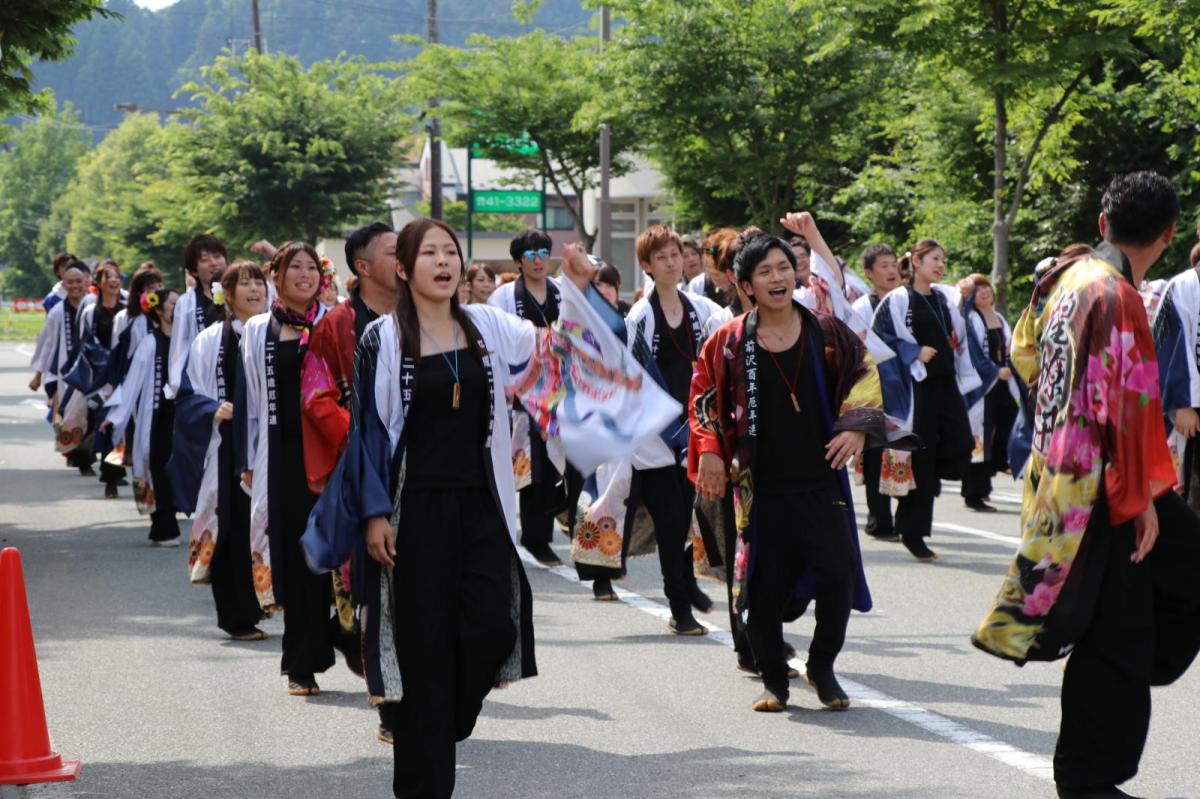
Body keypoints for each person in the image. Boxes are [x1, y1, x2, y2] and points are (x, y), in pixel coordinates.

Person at [304, 218, 676, 799]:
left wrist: (577, 291)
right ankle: (423, 779)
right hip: (411, 512)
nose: (444, 262)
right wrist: (374, 513)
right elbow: (371, 433)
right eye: (429, 253)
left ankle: (441, 719)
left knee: (491, 626)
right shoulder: (382, 337)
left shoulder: (487, 326)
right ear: (404, 269)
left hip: (481, 503)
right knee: (423, 646)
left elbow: (558, 357)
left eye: (450, 251)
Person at [974, 172, 1200, 799]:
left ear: (1102, 222)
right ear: (1169, 232)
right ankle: (1088, 777)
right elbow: (1127, 407)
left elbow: (1024, 354)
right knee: (1116, 632)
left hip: (1059, 473)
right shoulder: (1117, 295)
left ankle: (1090, 769)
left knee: (1119, 622)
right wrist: (1144, 499)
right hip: (1101, 486)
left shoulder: (1065, 277)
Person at [690, 230, 887, 713]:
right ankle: (774, 681)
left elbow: (866, 373)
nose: (778, 278)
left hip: (822, 480)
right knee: (762, 585)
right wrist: (712, 451)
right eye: (765, 272)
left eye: (784, 267)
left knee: (837, 576)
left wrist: (857, 428)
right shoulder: (729, 342)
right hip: (761, 486)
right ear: (746, 286)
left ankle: (822, 666)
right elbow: (702, 401)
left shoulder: (826, 331)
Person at [571, 224, 727, 630]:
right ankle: (680, 608)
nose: (672, 263)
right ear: (647, 265)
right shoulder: (641, 315)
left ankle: (687, 586)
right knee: (673, 520)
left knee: (690, 516)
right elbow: (638, 377)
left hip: (693, 430)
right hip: (652, 438)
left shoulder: (700, 309)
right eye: (662, 258)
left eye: (675, 254)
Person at [300, 221, 398, 740]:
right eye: (392, 251)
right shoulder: (337, 325)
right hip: (361, 468)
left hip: (422, 473)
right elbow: (317, 397)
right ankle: (390, 702)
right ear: (361, 266)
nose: (405, 257)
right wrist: (361, 443)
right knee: (372, 588)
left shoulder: (425, 315)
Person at [242, 241, 333, 696]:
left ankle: (344, 638)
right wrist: (248, 460)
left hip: (333, 455)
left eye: (311, 267)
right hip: (281, 456)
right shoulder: (259, 329)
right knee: (295, 560)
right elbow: (251, 404)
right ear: (276, 276)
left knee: (338, 555)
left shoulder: (334, 322)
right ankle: (301, 662)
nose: (304, 274)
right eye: (294, 266)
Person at [168, 261, 269, 640]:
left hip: (266, 445)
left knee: (262, 525)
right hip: (226, 446)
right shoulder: (210, 339)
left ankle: (262, 601)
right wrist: (214, 408)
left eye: (259, 281)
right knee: (230, 528)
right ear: (227, 295)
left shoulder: (275, 333)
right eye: (244, 283)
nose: (255, 289)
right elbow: (189, 392)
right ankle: (236, 614)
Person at [871, 240, 980, 562]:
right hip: (917, 388)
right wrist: (912, 351)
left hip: (946, 382)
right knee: (920, 460)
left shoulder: (945, 297)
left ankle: (927, 489)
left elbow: (963, 319)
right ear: (916, 261)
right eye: (934, 259)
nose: (940, 265)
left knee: (960, 443)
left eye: (943, 260)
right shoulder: (899, 299)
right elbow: (877, 337)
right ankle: (913, 532)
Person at [488, 229, 566, 566]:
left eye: (543, 253)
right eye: (530, 254)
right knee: (530, 466)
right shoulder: (505, 297)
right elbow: (494, 339)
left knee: (557, 465)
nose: (538, 260)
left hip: (561, 392)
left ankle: (553, 527)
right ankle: (535, 537)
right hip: (520, 393)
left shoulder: (563, 293)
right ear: (519, 261)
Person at [102, 288, 182, 545]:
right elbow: (132, 383)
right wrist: (115, 417)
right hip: (158, 418)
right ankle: (166, 527)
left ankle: (161, 526)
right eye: (172, 304)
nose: (177, 308)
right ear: (158, 310)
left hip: (183, 419)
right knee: (158, 470)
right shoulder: (150, 343)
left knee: (174, 472)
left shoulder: (188, 340)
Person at [852, 244, 902, 541]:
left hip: (905, 390)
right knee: (876, 457)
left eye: (894, 264)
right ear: (869, 273)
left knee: (905, 453)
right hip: (874, 390)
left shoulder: (905, 302)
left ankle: (905, 519)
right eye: (884, 265)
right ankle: (879, 520)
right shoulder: (862, 308)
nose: (891, 270)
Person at [959, 274, 1019, 512]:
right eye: (978, 289)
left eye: (986, 287)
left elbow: (1011, 348)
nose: (984, 292)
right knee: (980, 438)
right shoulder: (970, 319)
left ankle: (999, 463)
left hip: (1003, 382)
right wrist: (994, 371)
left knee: (1010, 423)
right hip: (982, 385)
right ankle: (974, 493)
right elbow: (971, 354)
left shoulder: (1001, 318)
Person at [29, 261, 95, 474]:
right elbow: (47, 345)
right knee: (70, 416)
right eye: (70, 282)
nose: (75, 286)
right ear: (64, 285)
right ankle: (79, 457)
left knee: (93, 416)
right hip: (65, 375)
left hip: (93, 372)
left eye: (79, 281)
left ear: (86, 282)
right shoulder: (57, 312)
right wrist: (39, 375)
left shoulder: (94, 305)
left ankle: (87, 456)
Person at [77, 260, 128, 497]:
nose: (114, 280)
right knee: (107, 423)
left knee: (124, 424)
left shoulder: (128, 308)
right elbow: (86, 345)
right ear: (98, 283)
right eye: (108, 276)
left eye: (117, 276)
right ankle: (110, 476)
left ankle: (119, 467)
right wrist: (106, 366)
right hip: (101, 377)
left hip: (127, 374)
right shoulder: (90, 311)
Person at [167, 234, 228, 399]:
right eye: (205, 259)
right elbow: (178, 350)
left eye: (217, 256)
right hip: (203, 385)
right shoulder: (186, 303)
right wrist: (180, 387)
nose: (214, 263)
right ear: (194, 270)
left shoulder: (239, 296)